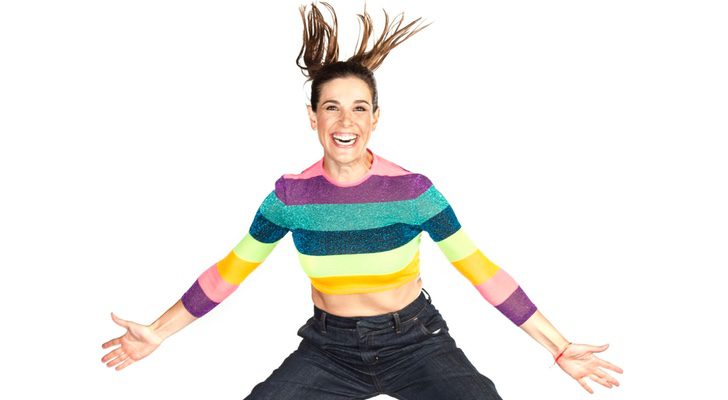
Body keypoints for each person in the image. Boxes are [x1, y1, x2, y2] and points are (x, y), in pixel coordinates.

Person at [101, 3, 623, 398]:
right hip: (328, 350)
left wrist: (558, 344)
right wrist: (157, 333)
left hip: (416, 342)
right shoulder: (289, 197)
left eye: (358, 108)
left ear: (375, 117)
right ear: (313, 117)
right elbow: (228, 273)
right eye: (331, 107)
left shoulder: (413, 192)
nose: (345, 121)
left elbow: (482, 271)